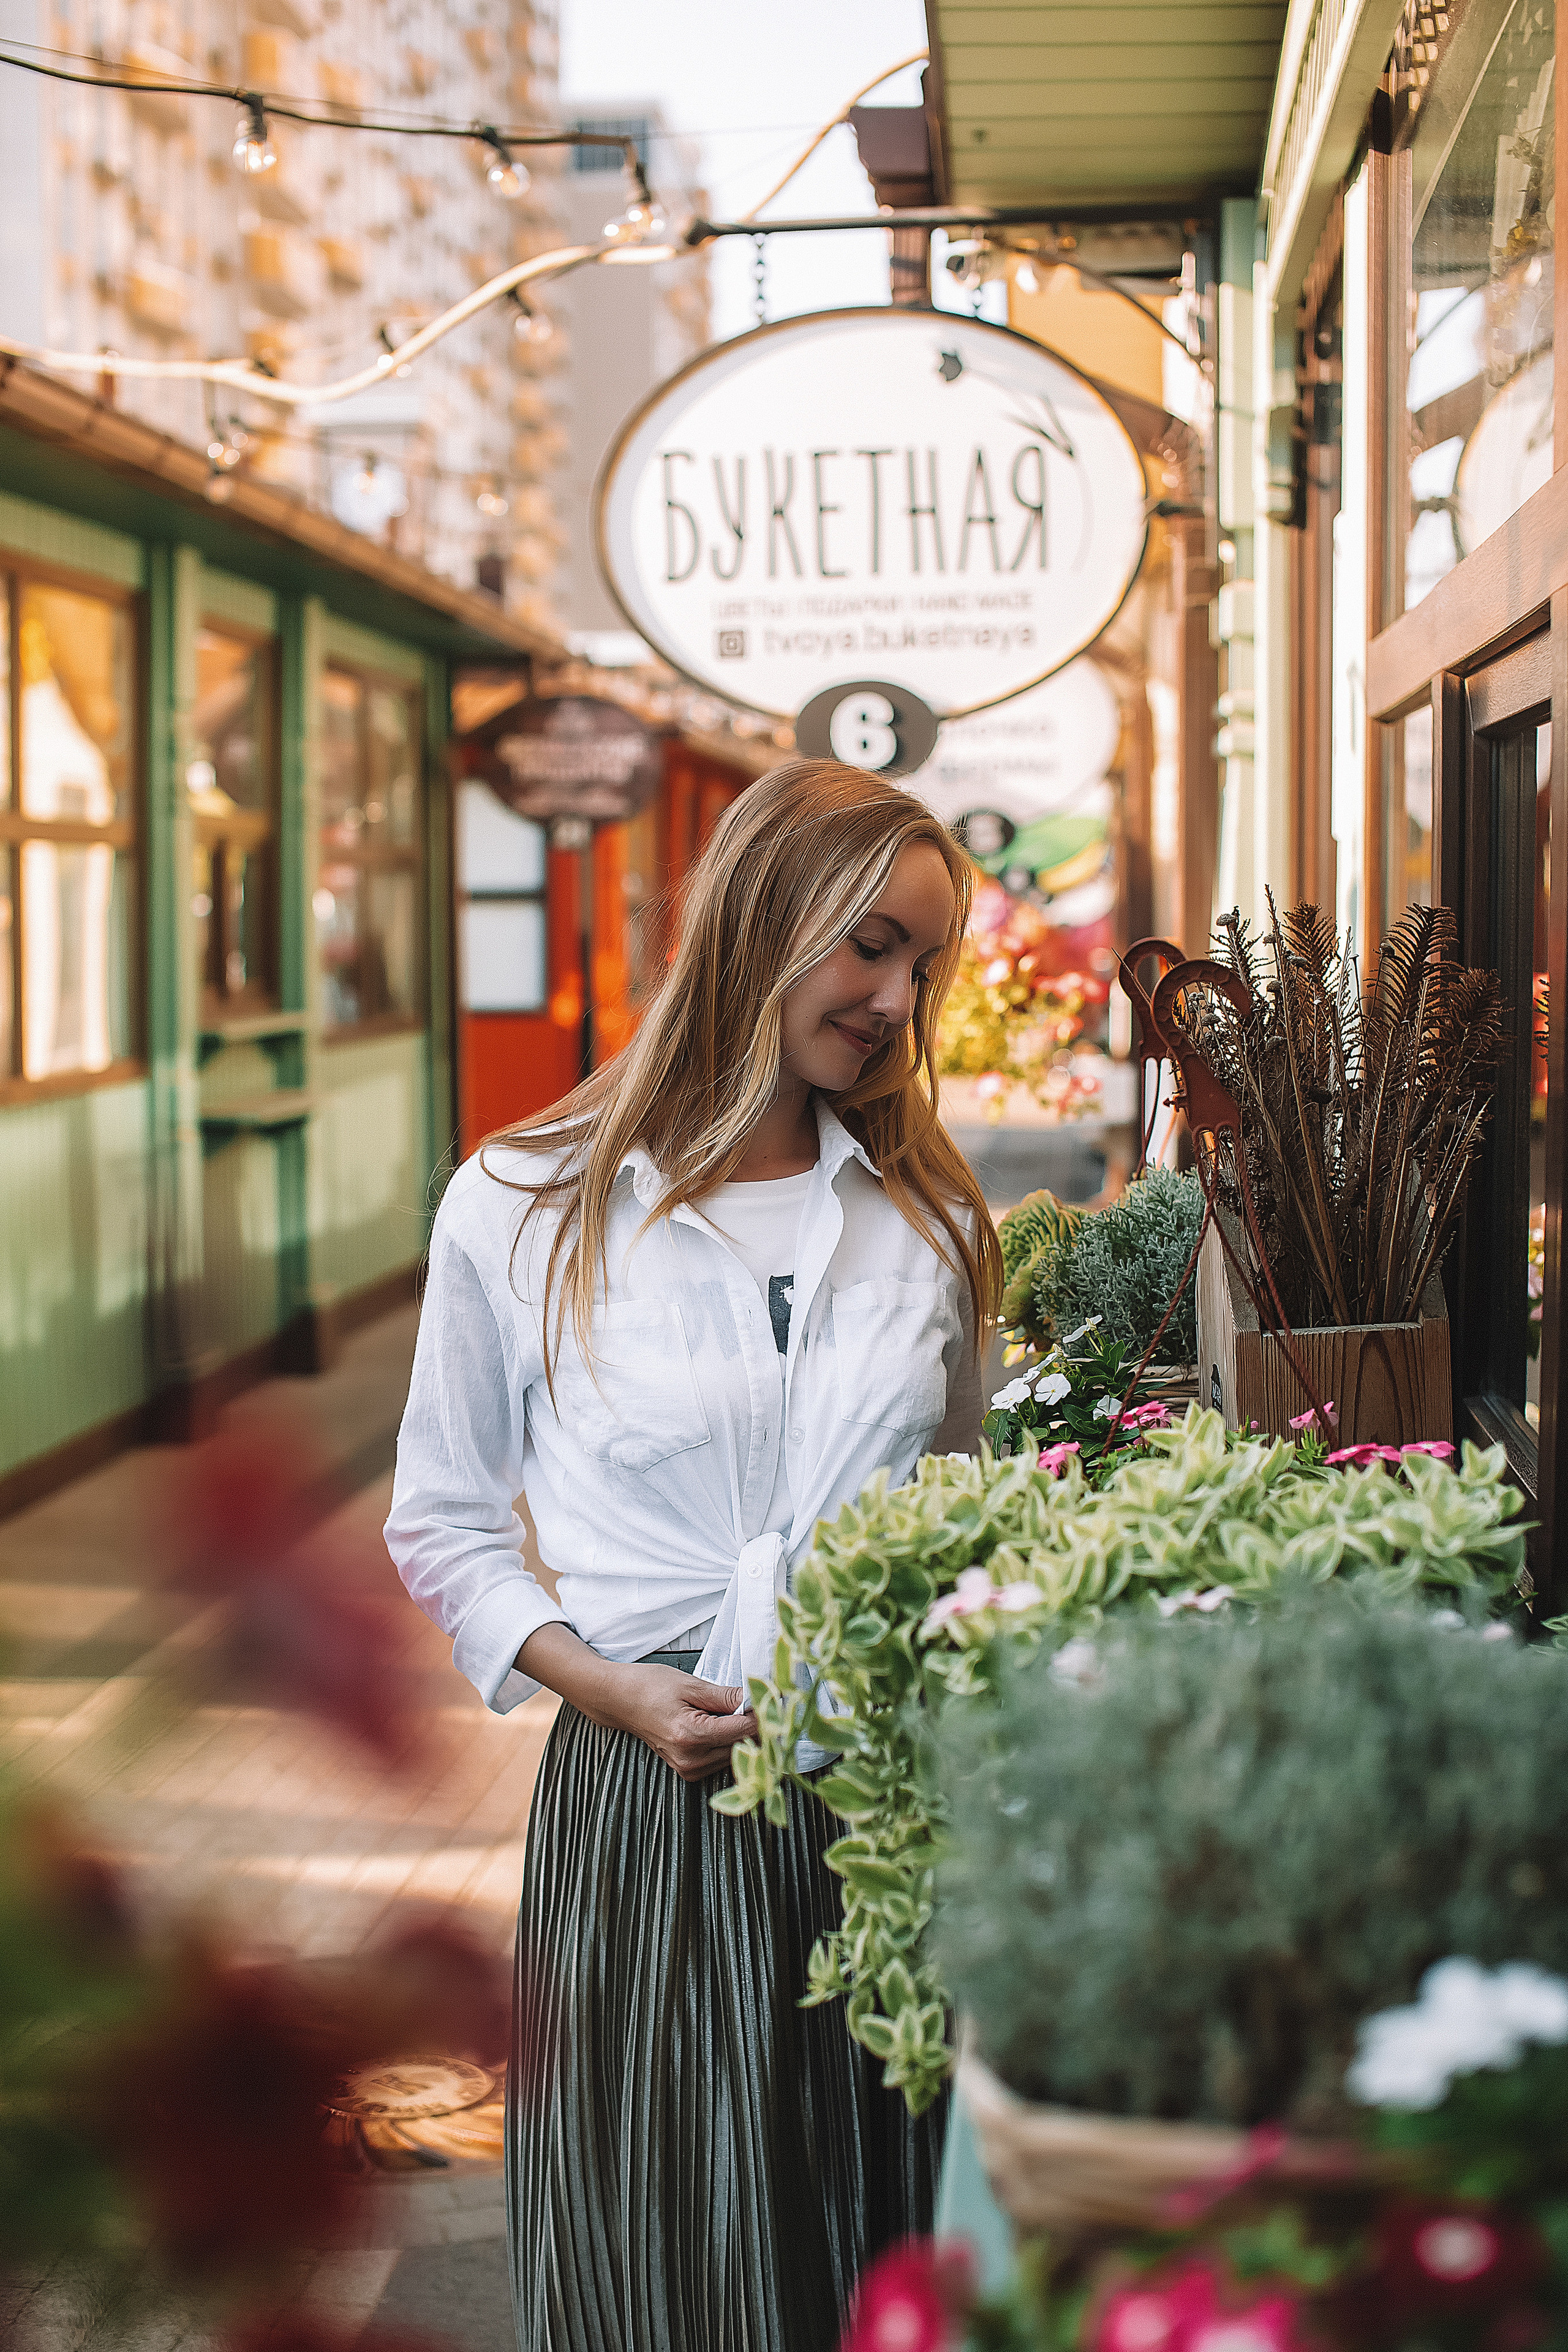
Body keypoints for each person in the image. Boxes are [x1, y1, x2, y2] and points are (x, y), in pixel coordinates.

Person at [385, 760, 1001, 2352]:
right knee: (666, 2268)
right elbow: (443, 1523)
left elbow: (960, 1516)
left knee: (878, 2259)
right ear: (758, 912)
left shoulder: (926, 1220)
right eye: (869, 942)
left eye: (923, 965)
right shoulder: (522, 1206)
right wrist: (609, 1689)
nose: (893, 997)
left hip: (884, 1823)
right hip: (647, 1821)